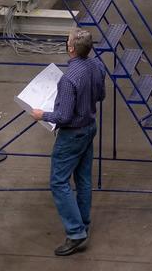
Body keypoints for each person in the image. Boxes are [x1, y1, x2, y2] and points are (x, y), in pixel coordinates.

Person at [31, 28, 106, 256]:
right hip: (89, 128)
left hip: (72, 135)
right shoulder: (96, 67)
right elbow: (101, 96)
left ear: (71, 48)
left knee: (59, 182)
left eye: (68, 41)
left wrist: (41, 114)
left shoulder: (68, 79)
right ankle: (83, 221)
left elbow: (63, 117)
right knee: (83, 178)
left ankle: (75, 232)